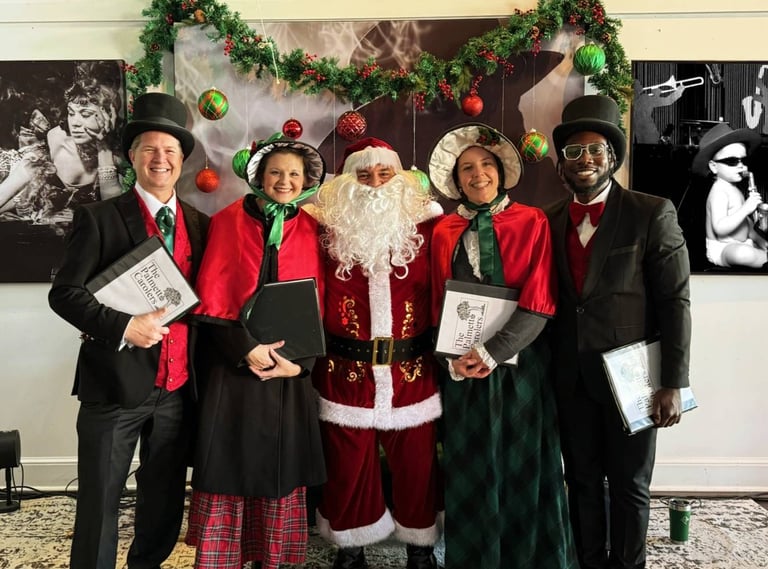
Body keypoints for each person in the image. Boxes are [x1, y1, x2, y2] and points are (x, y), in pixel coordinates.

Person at [47, 92, 209, 569]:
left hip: (177, 391)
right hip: (114, 387)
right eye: (149, 149)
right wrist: (124, 326)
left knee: (162, 502)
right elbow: (65, 294)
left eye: (170, 151)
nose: (160, 159)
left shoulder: (201, 224)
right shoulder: (97, 218)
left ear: (181, 160)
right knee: (99, 500)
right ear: (133, 156)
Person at [545, 94, 692, 569]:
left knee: (630, 486)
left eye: (595, 149)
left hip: (635, 381)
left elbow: (675, 302)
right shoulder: (546, 221)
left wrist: (675, 382)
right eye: (573, 151)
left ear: (612, 156)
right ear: (561, 163)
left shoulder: (652, 212)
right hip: (569, 379)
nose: (584, 159)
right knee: (581, 481)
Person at [427, 123, 576, 569]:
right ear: (456, 179)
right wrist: (453, 361)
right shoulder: (442, 230)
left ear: (502, 171)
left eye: (486, 165)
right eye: (467, 168)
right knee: (471, 471)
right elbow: (438, 304)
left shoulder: (532, 221)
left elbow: (541, 300)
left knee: (521, 468)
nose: (478, 175)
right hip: (463, 372)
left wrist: (493, 351)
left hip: (521, 368)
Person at [184, 133, 327, 569]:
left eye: (294, 175)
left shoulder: (312, 227)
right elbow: (212, 296)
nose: (285, 181)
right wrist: (246, 349)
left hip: (287, 373)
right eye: (276, 172)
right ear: (260, 176)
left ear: (305, 181)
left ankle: (273, 556)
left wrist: (297, 366)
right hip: (234, 368)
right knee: (230, 461)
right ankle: (223, 557)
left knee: (280, 464)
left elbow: (317, 304)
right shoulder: (228, 220)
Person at [309, 137, 443, 569]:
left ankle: (420, 550)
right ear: (346, 182)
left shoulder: (428, 226)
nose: (375, 184)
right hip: (344, 369)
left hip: (412, 371)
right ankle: (350, 550)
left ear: (400, 177)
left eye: (385, 174)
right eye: (363, 176)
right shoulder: (321, 228)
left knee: (418, 466)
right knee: (347, 467)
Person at [0, 77, 123, 221]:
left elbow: (114, 215)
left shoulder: (117, 157)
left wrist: (104, 149)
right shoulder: (56, 139)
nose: (75, 123)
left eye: (85, 114)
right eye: (71, 113)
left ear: (108, 116)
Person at [691, 122, 768, 269]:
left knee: (751, 249)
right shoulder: (719, 192)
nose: (741, 166)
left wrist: (759, 240)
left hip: (742, 242)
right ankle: (764, 259)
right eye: (732, 161)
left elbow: (746, 223)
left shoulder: (734, 189)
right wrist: (746, 208)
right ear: (714, 167)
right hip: (723, 248)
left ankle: (762, 255)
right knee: (742, 254)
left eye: (743, 160)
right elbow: (719, 228)